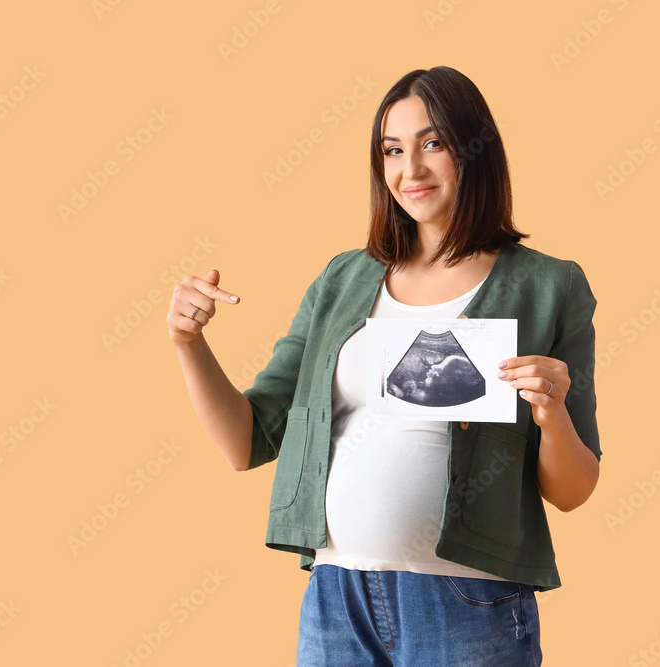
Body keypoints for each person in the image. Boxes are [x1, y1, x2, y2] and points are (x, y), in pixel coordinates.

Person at [167, 66, 602, 667]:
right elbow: (246, 440)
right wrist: (189, 345)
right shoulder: (343, 278)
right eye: (392, 150)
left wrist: (552, 416)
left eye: (433, 143)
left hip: (467, 597)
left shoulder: (549, 286)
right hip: (336, 594)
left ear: (476, 149)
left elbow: (574, 491)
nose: (411, 170)